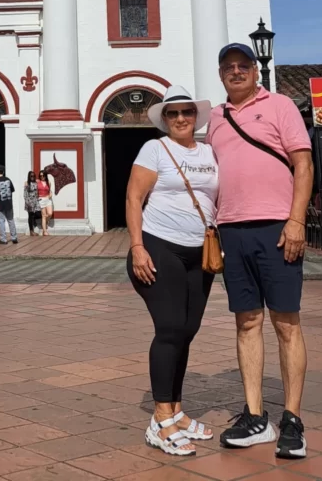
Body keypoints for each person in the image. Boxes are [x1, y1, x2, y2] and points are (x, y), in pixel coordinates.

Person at [207, 43, 314, 460]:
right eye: (228, 67)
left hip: (276, 226)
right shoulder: (215, 118)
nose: (236, 72)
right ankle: (255, 416)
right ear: (221, 75)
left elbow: (302, 164)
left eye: (243, 66)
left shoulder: (281, 105)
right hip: (232, 229)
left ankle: (292, 419)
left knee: (286, 323)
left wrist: (297, 220)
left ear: (255, 71)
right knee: (246, 322)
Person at [126, 85, 218, 458]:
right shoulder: (155, 149)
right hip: (160, 246)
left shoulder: (211, 152)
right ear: (164, 119)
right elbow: (134, 197)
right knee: (168, 329)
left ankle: (177, 411)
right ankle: (160, 418)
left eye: (187, 112)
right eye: (173, 113)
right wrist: (137, 246)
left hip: (201, 253)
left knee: (187, 330)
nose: (181, 118)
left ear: (196, 117)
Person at [0, 165, 18, 245]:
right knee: (11, 220)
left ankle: (3, 239)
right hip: (9, 204)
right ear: (3, 171)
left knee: (1, 222)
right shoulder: (8, 180)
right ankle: (14, 237)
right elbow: (12, 190)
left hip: (0, 205)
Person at [37, 170, 54, 237]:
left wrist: (51, 194)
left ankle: (45, 222)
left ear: (45, 175)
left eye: (43, 175)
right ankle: (45, 231)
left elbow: (50, 191)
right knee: (43, 215)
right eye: (40, 176)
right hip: (41, 199)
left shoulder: (48, 182)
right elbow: (29, 182)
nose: (42, 177)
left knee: (50, 213)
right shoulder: (38, 182)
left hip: (48, 199)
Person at [24, 171, 41, 235]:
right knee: (30, 216)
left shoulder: (36, 182)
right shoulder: (27, 184)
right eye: (31, 176)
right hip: (29, 202)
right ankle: (31, 231)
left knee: (39, 213)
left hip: (36, 201)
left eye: (33, 176)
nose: (32, 177)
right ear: (29, 176)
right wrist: (28, 203)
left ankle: (34, 221)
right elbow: (25, 194)